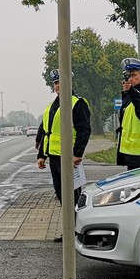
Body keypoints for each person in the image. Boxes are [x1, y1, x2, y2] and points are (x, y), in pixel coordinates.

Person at [36, 69, 92, 213]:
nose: (57, 85)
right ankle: (68, 232)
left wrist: (77, 154)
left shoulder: (77, 103)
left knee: (72, 197)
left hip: (69, 158)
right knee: (61, 195)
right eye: (55, 83)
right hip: (54, 158)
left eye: (60, 82)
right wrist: (42, 155)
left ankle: (75, 231)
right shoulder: (51, 107)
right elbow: (46, 132)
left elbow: (84, 130)